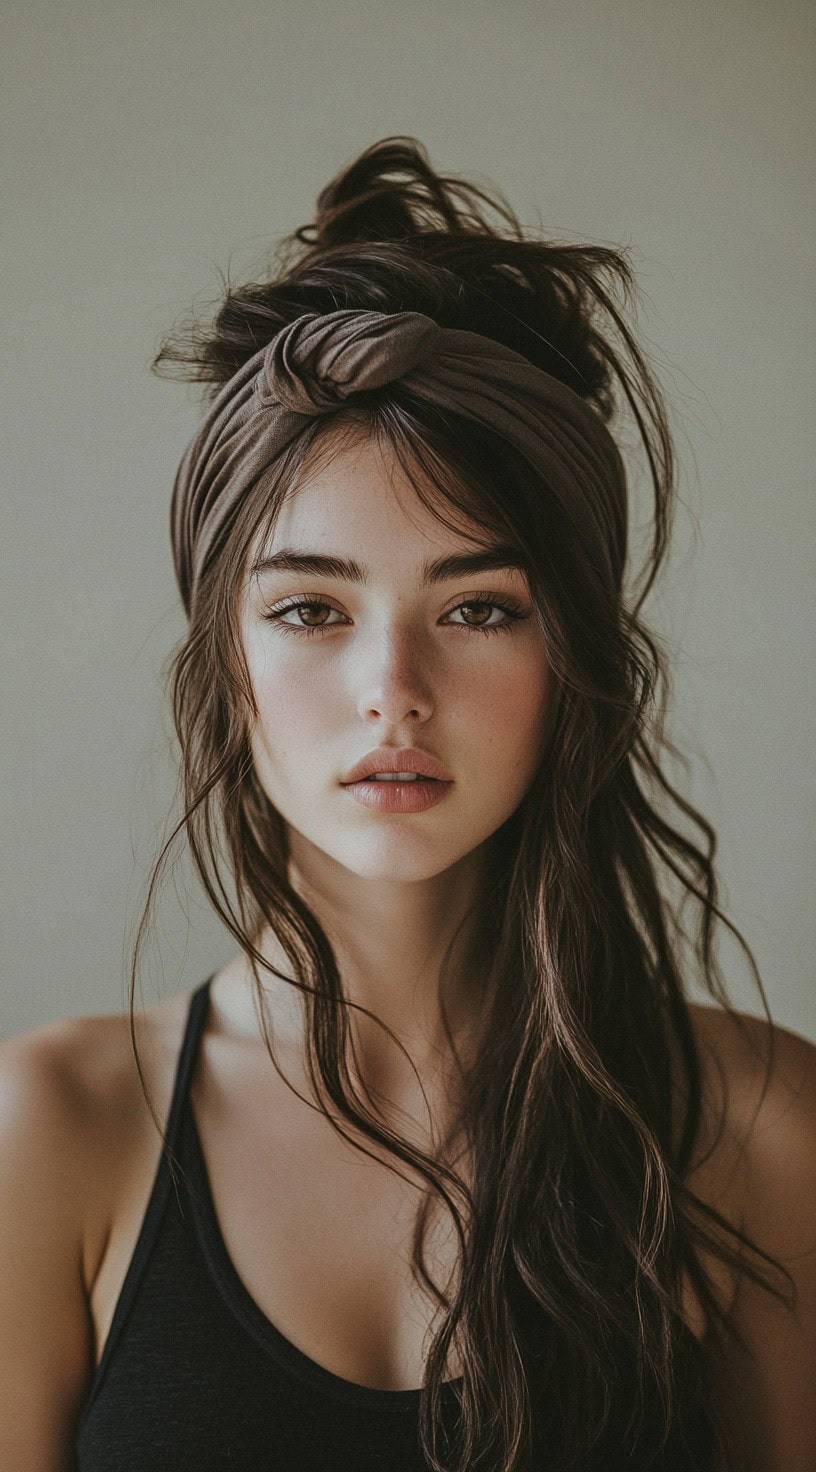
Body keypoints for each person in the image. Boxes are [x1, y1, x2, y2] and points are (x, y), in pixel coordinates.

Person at [1, 136, 814, 1472]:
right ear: (228, 657)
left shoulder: (759, 1139)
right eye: (311, 609)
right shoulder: (50, 1135)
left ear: (577, 660)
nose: (395, 689)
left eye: (479, 609)